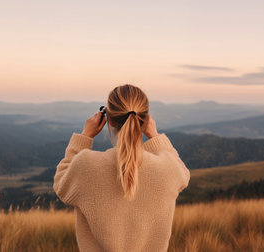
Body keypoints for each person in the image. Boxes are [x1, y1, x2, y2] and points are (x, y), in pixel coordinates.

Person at [53, 84, 190, 252]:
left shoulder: (86, 165)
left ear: (108, 119)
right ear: (145, 120)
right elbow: (183, 173)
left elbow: (61, 183)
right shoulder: (168, 169)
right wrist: (155, 136)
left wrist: (84, 136)